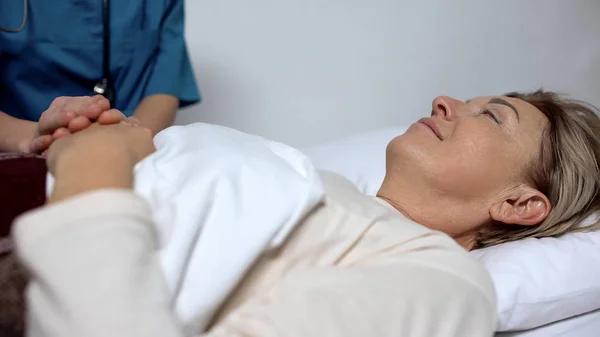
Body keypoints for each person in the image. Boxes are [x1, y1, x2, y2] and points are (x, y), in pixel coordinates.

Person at [2, 90, 600, 337]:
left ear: (519, 204)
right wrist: (77, 140)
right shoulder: (317, 185)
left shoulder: (443, 281)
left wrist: (93, 172)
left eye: (492, 117)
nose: (446, 100)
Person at [0, 0, 200, 154]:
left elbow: (163, 86)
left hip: (130, 142)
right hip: (18, 146)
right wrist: (34, 138)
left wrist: (130, 138)